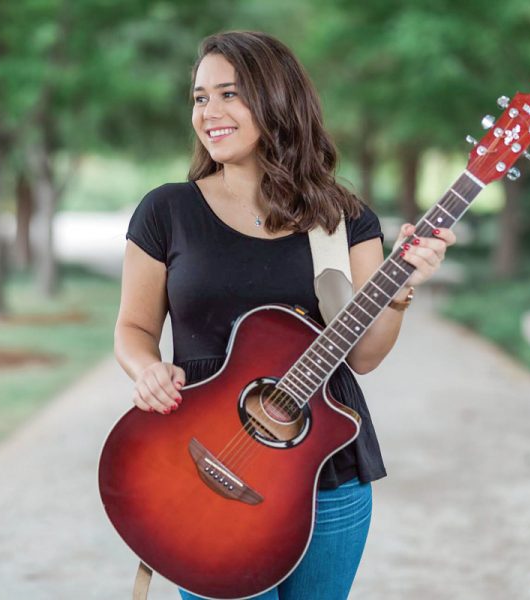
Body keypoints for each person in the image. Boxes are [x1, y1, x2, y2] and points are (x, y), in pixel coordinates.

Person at [113, 31, 456, 600]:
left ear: (277, 100)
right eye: (200, 97)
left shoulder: (344, 219)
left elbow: (364, 357)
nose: (210, 112)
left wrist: (401, 288)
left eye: (229, 94)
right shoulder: (166, 210)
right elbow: (134, 329)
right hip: (204, 467)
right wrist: (145, 367)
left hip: (326, 474)